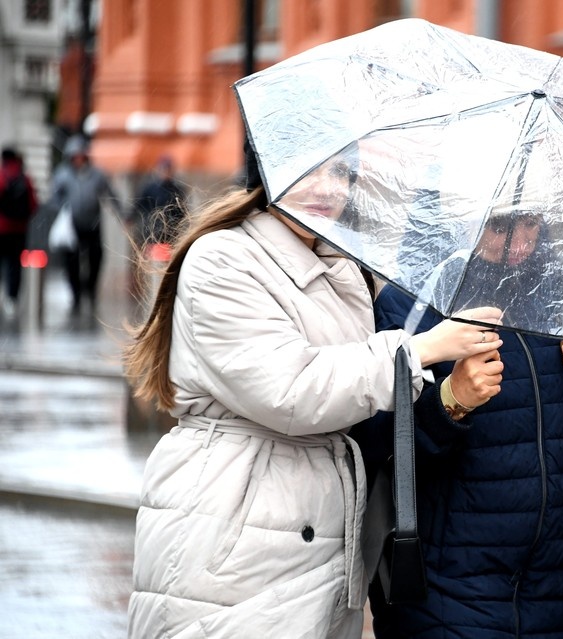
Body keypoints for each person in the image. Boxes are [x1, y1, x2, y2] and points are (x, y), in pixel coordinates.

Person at [123, 144, 504, 638]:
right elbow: (290, 389)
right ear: (268, 169)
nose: (329, 188)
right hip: (235, 530)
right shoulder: (223, 258)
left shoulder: (341, 266)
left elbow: (354, 395)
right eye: (308, 168)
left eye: (343, 173)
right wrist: (417, 350)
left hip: (316, 530)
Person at [352, 209, 563, 637]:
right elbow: (373, 432)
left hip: (561, 571)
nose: (517, 243)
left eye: (530, 224)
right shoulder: (416, 294)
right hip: (447, 577)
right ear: (465, 219)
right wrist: (451, 400)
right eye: (499, 227)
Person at [49, 134, 120, 313]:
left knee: (96, 257)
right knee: (71, 261)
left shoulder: (97, 175)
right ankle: (76, 293)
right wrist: (62, 209)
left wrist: (122, 213)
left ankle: (91, 290)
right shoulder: (62, 175)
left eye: (82, 155)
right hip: (72, 225)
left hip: (93, 223)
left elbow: (110, 194)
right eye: (75, 156)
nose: (79, 159)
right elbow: (54, 197)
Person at [0, 147, 38, 314]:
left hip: (1, 229)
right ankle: (12, 299)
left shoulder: (2, 176)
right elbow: (33, 204)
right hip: (19, 230)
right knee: (15, 264)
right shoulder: (25, 178)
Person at [130, 154, 188, 247]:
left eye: (167, 170)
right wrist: (131, 218)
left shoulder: (177, 190)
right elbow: (139, 204)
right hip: (152, 232)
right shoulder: (150, 188)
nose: (165, 173)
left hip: (171, 233)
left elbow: (182, 211)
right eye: (163, 170)